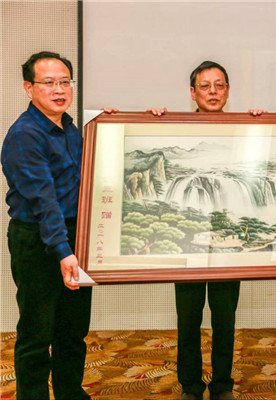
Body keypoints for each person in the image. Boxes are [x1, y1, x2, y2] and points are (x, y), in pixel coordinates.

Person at [149, 60, 264, 400]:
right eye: (205, 86)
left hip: (228, 244)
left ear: (228, 90)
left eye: (219, 85)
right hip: (188, 244)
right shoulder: (177, 128)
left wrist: (264, 126)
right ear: (193, 92)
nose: (212, 92)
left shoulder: (243, 128)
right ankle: (191, 385)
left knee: (225, 318)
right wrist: (151, 122)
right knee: (188, 318)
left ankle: (223, 385)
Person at [1, 51, 93, 400]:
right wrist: (63, 251)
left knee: (72, 330)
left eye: (65, 82)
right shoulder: (25, 135)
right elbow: (44, 202)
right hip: (39, 240)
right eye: (49, 82)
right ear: (29, 88)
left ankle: (71, 393)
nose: (59, 90)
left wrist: (112, 125)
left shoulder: (69, 128)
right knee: (37, 334)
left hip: (72, 236)